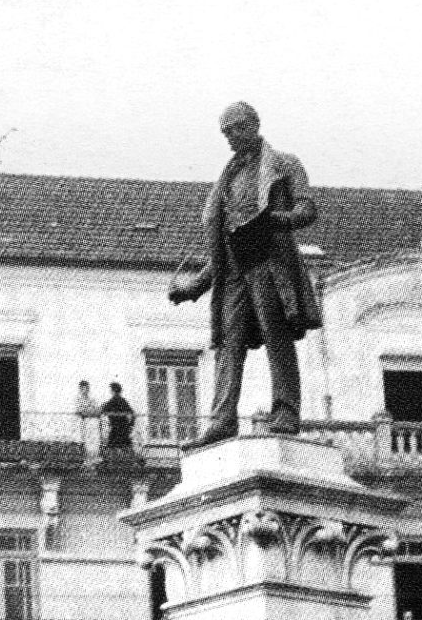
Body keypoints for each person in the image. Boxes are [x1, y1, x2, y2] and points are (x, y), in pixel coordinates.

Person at [168, 101, 321, 443]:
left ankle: (285, 411)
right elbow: (223, 248)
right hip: (235, 272)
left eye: (236, 129)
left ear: (254, 124)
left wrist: (276, 220)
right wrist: (194, 287)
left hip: (269, 262)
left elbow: (307, 209)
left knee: (276, 337)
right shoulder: (226, 181)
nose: (231, 138)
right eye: (225, 132)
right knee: (227, 343)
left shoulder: (284, 163)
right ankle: (222, 420)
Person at [100, 381, 136, 453]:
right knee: (126, 447)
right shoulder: (123, 401)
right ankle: (129, 461)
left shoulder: (111, 401)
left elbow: (102, 411)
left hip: (116, 428)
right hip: (124, 428)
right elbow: (132, 413)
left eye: (111, 390)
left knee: (111, 447)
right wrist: (131, 425)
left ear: (113, 391)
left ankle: (111, 461)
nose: (110, 392)